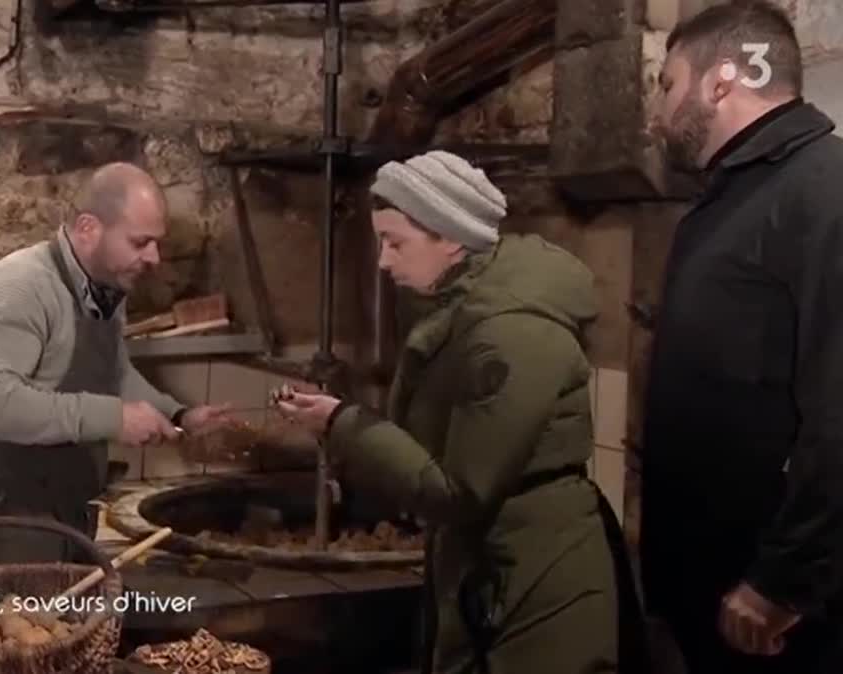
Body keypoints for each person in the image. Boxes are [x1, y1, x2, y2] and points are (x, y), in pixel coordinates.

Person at [275, 150, 646, 674]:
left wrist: (344, 424)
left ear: (448, 237)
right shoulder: (463, 310)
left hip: (536, 579)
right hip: (496, 566)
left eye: (395, 242)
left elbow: (460, 490)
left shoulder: (510, 333)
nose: (383, 261)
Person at [642, 2, 843, 672]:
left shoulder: (823, 192)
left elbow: (839, 405)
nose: (658, 109)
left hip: (777, 616)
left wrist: (787, 577)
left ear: (720, 81)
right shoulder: (738, 195)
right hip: (714, 591)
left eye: (666, 83)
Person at [0, 162, 233, 571]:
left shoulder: (106, 287)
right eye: (140, 242)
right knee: (7, 636)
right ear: (88, 228)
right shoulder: (20, 287)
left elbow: (113, 373)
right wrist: (113, 418)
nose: (154, 256)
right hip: (2, 518)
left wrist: (179, 414)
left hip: (68, 516)